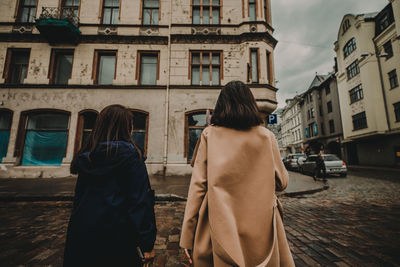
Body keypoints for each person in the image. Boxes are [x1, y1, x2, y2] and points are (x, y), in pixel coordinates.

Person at [180, 81, 295, 266]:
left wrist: (187, 235)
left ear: (221, 105)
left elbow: (197, 188)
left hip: (221, 226)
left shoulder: (209, 135)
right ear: (250, 104)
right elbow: (282, 182)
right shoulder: (267, 137)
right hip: (262, 228)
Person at [63, 105, 156, 267]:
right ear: (127, 128)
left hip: (81, 235)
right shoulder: (131, 155)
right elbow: (139, 201)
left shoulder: (88, 155)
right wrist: (147, 243)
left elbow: (78, 200)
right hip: (117, 237)